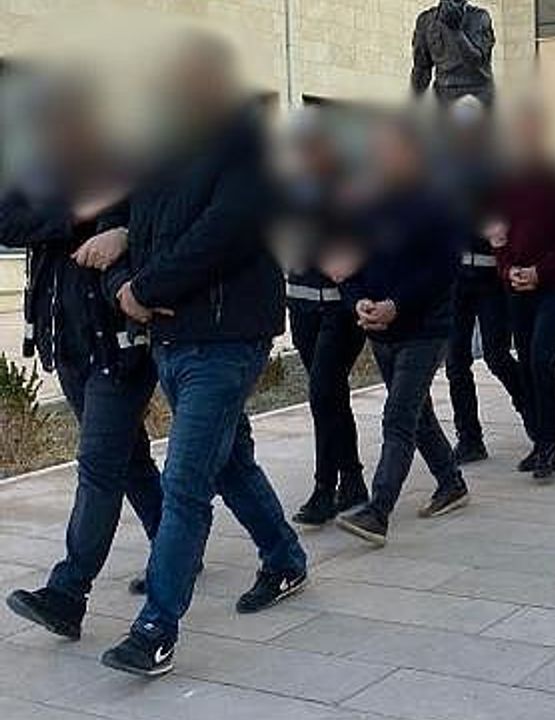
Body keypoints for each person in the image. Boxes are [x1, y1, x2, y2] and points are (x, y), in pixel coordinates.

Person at [99, 37, 308, 678]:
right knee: (231, 462)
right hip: (171, 339)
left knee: (185, 480)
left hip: (225, 339)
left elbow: (222, 235)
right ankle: (285, 557)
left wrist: (143, 289)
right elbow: (127, 229)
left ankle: (157, 627)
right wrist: (123, 286)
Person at [2, 76, 161, 641]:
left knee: (98, 466)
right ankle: (176, 548)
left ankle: (68, 592)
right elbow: (6, 219)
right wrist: (72, 214)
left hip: (117, 344)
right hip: (66, 343)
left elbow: (146, 221)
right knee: (130, 459)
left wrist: (111, 226)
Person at [332, 116, 468, 546]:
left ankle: (378, 511)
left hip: (424, 330)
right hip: (381, 329)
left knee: (398, 416)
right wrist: (357, 301)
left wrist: (397, 304)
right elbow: (349, 264)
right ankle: (451, 482)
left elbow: (443, 270)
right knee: (416, 413)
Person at [276, 111, 369, 527]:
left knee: (321, 393)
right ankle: (353, 480)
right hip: (302, 306)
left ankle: (324, 487)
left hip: (339, 308)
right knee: (331, 395)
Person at [486, 105, 555, 481]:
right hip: (517, 284)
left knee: (543, 358)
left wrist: (539, 272)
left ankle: (551, 445)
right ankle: (540, 441)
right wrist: (508, 269)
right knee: (527, 361)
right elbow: (498, 235)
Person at [438, 99, 531, 463]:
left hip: (492, 276)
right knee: (455, 361)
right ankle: (470, 437)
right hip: (456, 278)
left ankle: (533, 414)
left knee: (496, 354)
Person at [411, 0, 496, 107]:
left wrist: (456, 32)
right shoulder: (426, 21)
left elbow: (478, 62)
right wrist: (415, 101)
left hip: (478, 95)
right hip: (444, 97)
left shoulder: (480, 17)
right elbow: (421, 69)